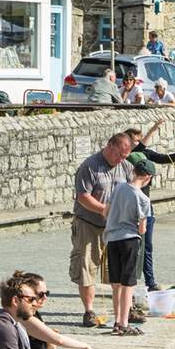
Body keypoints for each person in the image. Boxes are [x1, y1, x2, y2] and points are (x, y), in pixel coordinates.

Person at [71, 134, 133, 328]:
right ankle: (89, 311)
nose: (121, 159)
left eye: (125, 155)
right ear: (109, 146)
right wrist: (104, 209)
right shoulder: (90, 166)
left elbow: (134, 189)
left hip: (115, 227)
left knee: (118, 270)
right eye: (120, 154)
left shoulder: (125, 166)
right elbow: (83, 196)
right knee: (87, 266)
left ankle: (124, 311)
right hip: (88, 223)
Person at [125, 124, 175, 291]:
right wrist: (153, 130)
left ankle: (150, 282)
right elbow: (138, 148)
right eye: (135, 140)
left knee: (147, 246)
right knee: (128, 247)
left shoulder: (145, 153)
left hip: (146, 206)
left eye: (139, 140)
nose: (139, 143)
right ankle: (126, 283)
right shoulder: (126, 156)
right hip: (129, 208)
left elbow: (163, 158)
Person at [104, 159, 154, 335]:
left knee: (116, 283)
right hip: (129, 240)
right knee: (128, 283)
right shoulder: (143, 199)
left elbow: (105, 211)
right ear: (148, 177)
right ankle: (124, 323)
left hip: (112, 238)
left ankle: (117, 321)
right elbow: (142, 229)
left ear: (133, 172)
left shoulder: (118, 188)